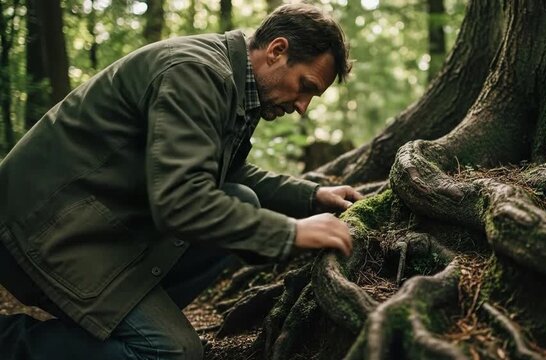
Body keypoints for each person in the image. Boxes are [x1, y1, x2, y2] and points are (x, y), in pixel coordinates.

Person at [0, 4, 362, 359]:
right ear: (277, 51)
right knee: (170, 351)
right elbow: (181, 201)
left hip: (90, 223)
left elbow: (227, 171)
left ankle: (111, 331)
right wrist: (291, 233)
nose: (302, 107)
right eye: (306, 86)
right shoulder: (196, 73)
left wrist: (312, 195)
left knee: (241, 198)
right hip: (39, 230)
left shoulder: (236, 84)